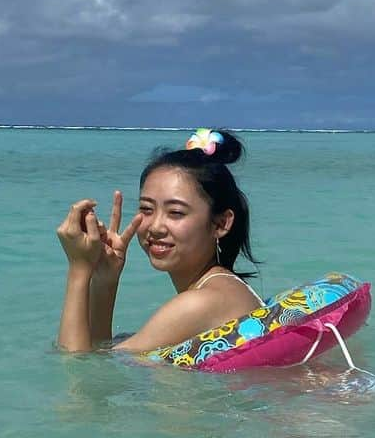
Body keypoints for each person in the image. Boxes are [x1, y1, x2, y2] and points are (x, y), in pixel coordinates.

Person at [56, 128, 262, 353]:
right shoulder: (223, 288)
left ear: (221, 224)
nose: (154, 227)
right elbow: (98, 354)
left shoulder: (202, 302)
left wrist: (79, 269)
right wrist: (106, 280)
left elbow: (79, 374)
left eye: (176, 212)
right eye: (146, 209)